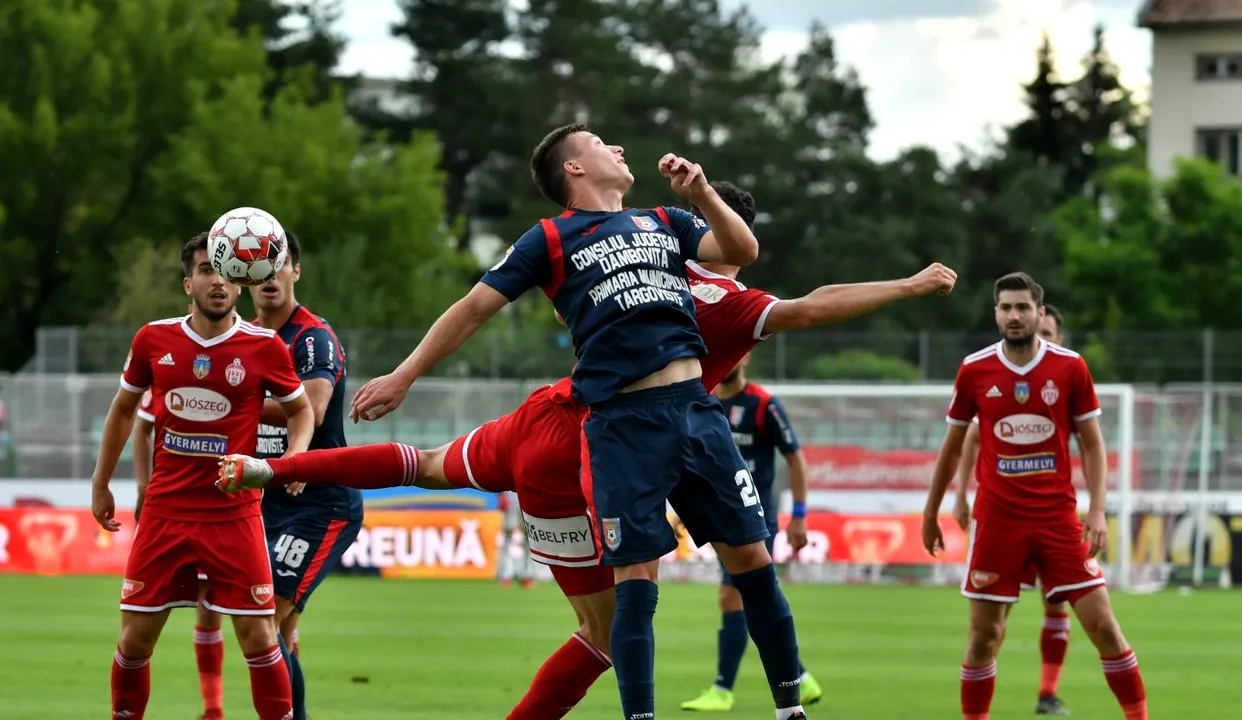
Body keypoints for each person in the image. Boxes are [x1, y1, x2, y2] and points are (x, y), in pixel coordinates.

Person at [220, 181, 956, 718]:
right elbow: (810, 302)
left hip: (547, 416)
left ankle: (270, 467)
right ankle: (781, 699)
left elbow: (491, 299)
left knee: (421, 462)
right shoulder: (725, 297)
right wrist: (907, 285)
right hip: (599, 447)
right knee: (618, 622)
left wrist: (407, 374)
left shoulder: (631, 254)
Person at [348, 124, 812, 720]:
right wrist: (404, 374)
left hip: (696, 412)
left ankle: (788, 710)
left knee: (752, 559)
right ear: (574, 168)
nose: (619, 148)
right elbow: (473, 308)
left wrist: (701, 193)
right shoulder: (547, 239)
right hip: (620, 420)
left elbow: (742, 252)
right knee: (635, 580)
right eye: (602, 144)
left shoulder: (665, 220)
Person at [91, 232, 314, 720]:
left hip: (234, 514)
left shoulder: (264, 346)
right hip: (166, 514)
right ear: (187, 282)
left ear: (240, 282)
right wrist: (102, 482)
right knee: (133, 639)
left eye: (226, 273)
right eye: (206, 271)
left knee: (259, 636)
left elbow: (302, 412)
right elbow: (125, 411)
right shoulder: (154, 338)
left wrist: (292, 461)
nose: (218, 282)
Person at [921, 272, 1148, 720]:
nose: (1014, 316)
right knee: (984, 638)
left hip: (1057, 520)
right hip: (997, 521)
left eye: (1023, 307)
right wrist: (933, 511)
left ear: (1040, 313)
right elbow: (954, 446)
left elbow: (1093, 444)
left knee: (1104, 626)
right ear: (996, 314)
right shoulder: (974, 369)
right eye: (1006, 308)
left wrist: (1098, 509)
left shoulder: (1070, 367)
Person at [249, 231, 363, 720]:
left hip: (320, 502)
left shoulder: (312, 337)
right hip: (268, 501)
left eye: (281, 265)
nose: (271, 277)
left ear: (296, 271)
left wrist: (240, 402)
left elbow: (312, 412)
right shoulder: (247, 337)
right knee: (280, 630)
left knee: (264, 621)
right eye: (261, 269)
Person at [950, 303, 1075, 716]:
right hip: (1003, 513)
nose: (1047, 339)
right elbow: (970, 439)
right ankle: (984, 688)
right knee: (990, 624)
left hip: (1051, 510)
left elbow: (1088, 443)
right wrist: (961, 494)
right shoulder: (995, 375)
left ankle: (1047, 693)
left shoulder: (1065, 377)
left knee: (1057, 603)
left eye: (1053, 334)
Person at [681, 351, 821, 712]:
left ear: (746, 356)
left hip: (756, 519)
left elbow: (796, 458)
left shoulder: (763, 405)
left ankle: (722, 689)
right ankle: (800, 676)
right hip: (717, 518)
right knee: (751, 597)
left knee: (734, 597)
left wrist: (800, 516)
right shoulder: (702, 400)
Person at [132, 302, 228, 720]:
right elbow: (140, 424)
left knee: (246, 617)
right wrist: (143, 486)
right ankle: (213, 708)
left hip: (226, 509)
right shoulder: (167, 368)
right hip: (172, 509)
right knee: (144, 622)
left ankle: (214, 708)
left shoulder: (243, 359)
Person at [496, 491, 536, 587]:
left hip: (526, 494)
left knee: (530, 538)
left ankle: (527, 575)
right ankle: (505, 575)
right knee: (507, 538)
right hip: (510, 495)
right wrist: (501, 495)